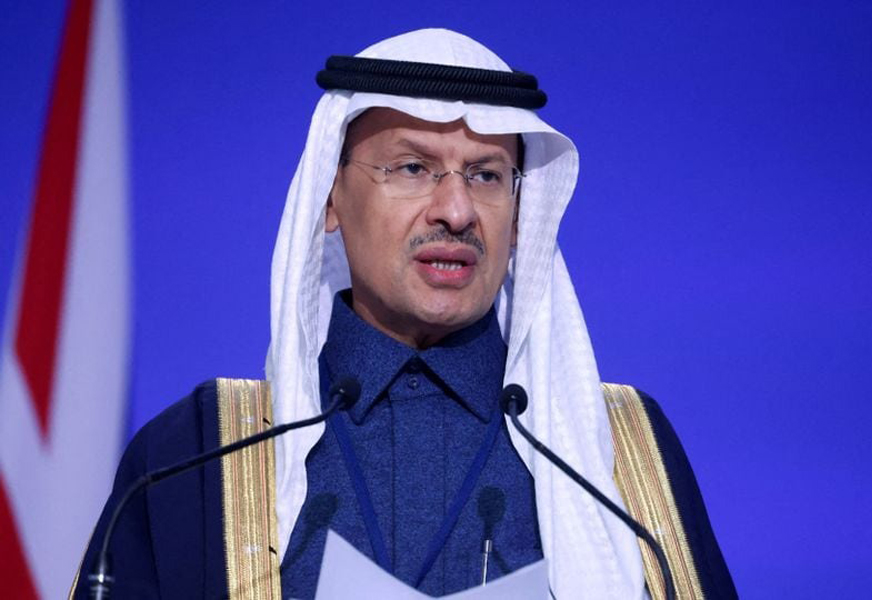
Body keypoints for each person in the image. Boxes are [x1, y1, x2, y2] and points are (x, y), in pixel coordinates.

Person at [72, 29, 735, 599]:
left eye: (485, 175)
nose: (455, 211)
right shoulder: (195, 455)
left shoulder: (624, 451)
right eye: (414, 167)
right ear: (329, 200)